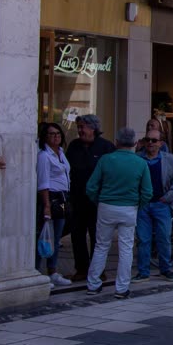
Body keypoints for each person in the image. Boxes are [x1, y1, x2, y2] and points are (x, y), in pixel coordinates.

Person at [85, 128, 152, 299]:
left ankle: (93, 284)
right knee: (126, 249)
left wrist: (99, 200)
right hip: (129, 208)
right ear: (135, 144)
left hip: (106, 205)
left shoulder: (106, 160)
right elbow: (147, 192)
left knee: (101, 246)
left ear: (116, 142)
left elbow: (91, 186)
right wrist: (138, 205)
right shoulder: (140, 163)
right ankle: (121, 288)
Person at [66, 114, 116, 281]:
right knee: (77, 236)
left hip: (98, 202)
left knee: (98, 237)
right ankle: (81, 269)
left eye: (82, 127)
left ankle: (98, 270)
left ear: (93, 128)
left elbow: (112, 175)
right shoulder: (73, 146)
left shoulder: (106, 147)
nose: (79, 130)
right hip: (77, 199)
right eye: (78, 127)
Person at [133, 128, 173, 283]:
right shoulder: (137, 158)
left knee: (164, 238)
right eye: (147, 139)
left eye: (154, 140)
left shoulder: (169, 159)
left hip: (162, 204)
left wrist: (168, 196)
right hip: (143, 205)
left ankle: (165, 269)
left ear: (160, 143)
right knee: (143, 239)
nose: (150, 143)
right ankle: (143, 272)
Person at [36, 122, 73, 288]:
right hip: (51, 198)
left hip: (63, 197)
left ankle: (53, 271)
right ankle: (37, 271)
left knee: (57, 236)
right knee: (44, 236)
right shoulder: (44, 155)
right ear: (45, 136)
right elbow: (43, 182)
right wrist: (46, 205)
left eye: (58, 133)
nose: (56, 136)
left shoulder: (61, 152)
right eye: (51, 134)